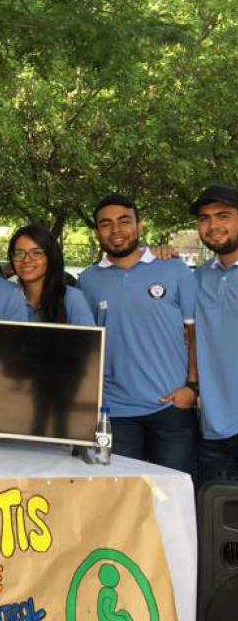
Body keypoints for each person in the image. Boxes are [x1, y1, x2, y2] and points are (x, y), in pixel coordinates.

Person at [77, 193, 198, 473]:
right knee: (125, 499)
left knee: (173, 497)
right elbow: (88, 345)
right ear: (96, 232)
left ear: (140, 225)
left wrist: (192, 387)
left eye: (124, 221)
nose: (116, 230)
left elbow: (194, 333)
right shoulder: (87, 280)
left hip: (171, 407)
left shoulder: (174, 269)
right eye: (106, 224)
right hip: (115, 411)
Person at [189, 185, 238, 487]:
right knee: (216, 523)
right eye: (205, 218)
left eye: (224, 216)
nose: (213, 225)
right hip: (212, 426)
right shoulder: (196, 277)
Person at [7, 224, 94, 325]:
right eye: (19, 253)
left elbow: (88, 340)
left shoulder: (71, 298)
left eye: (36, 253)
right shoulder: (7, 296)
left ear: (51, 257)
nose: (26, 260)